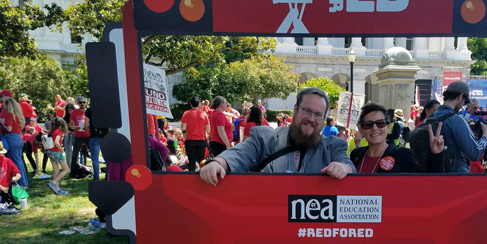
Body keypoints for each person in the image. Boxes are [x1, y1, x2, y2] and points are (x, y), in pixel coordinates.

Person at [200, 87, 355, 184]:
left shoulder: (333, 146)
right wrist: (218, 163)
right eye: (306, 111)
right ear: (295, 110)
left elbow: (348, 166)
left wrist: (343, 168)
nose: (311, 119)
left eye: (318, 115)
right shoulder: (265, 138)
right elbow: (239, 154)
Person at [429, 81, 487, 173]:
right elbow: (475, 153)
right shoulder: (456, 120)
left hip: (434, 174)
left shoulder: (429, 118)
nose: (463, 105)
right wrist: (485, 134)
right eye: (465, 101)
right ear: (460, 97)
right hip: (457, 176)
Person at [350, 103, 423, 173]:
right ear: (361, 129)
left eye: (380, 123)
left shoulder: (403, 155)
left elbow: (422, 182)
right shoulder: (356, 154)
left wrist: (434, 155)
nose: (374, 128)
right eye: (368, 124)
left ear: (389, 128)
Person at [0, 92, 28, 188]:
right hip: (18, 138)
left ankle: (22, 183)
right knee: (19, 161)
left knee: (15, 161)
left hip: (11, 138)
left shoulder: (10, 114)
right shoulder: (18, 114)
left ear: (8, 105)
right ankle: (25, 182)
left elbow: (9, 128)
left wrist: (2, 122)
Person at [181, 96, 210, 171]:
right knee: (201, 161)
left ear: (190, 104)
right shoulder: (204, 115)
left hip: (190, 140)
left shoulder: (186, 114)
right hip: (201, 140)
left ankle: (191, 178)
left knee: (191, 161)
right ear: (199, 104)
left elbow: (183, 128)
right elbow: (208, 129)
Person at [0, 140, 22, 204]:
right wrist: (1, 187)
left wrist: (16, 177)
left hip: (1, 190)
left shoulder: (7, 161)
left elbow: (17, 172)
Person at [46, 117, 71, 195]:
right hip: (56, 152)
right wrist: (62, 149)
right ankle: (54, 182)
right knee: (66, 169)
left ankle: (57, 189)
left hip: (50, 152)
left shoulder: (52, 131)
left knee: (56, 171)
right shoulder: (59, 131)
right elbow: (57, 142)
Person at [69, 96, 91, 169]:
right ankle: (73, 170)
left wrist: (88, 126)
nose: (82, 104)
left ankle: (95, 170)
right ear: (77, 103)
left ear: (86, 103)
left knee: (93, 152)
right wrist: (74, 127)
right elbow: (70, 124)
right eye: (80, 102)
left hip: (88, 135)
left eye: (84, 102)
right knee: (75, 153)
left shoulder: (89, 111)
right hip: (78, 135)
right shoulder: (74, 112)